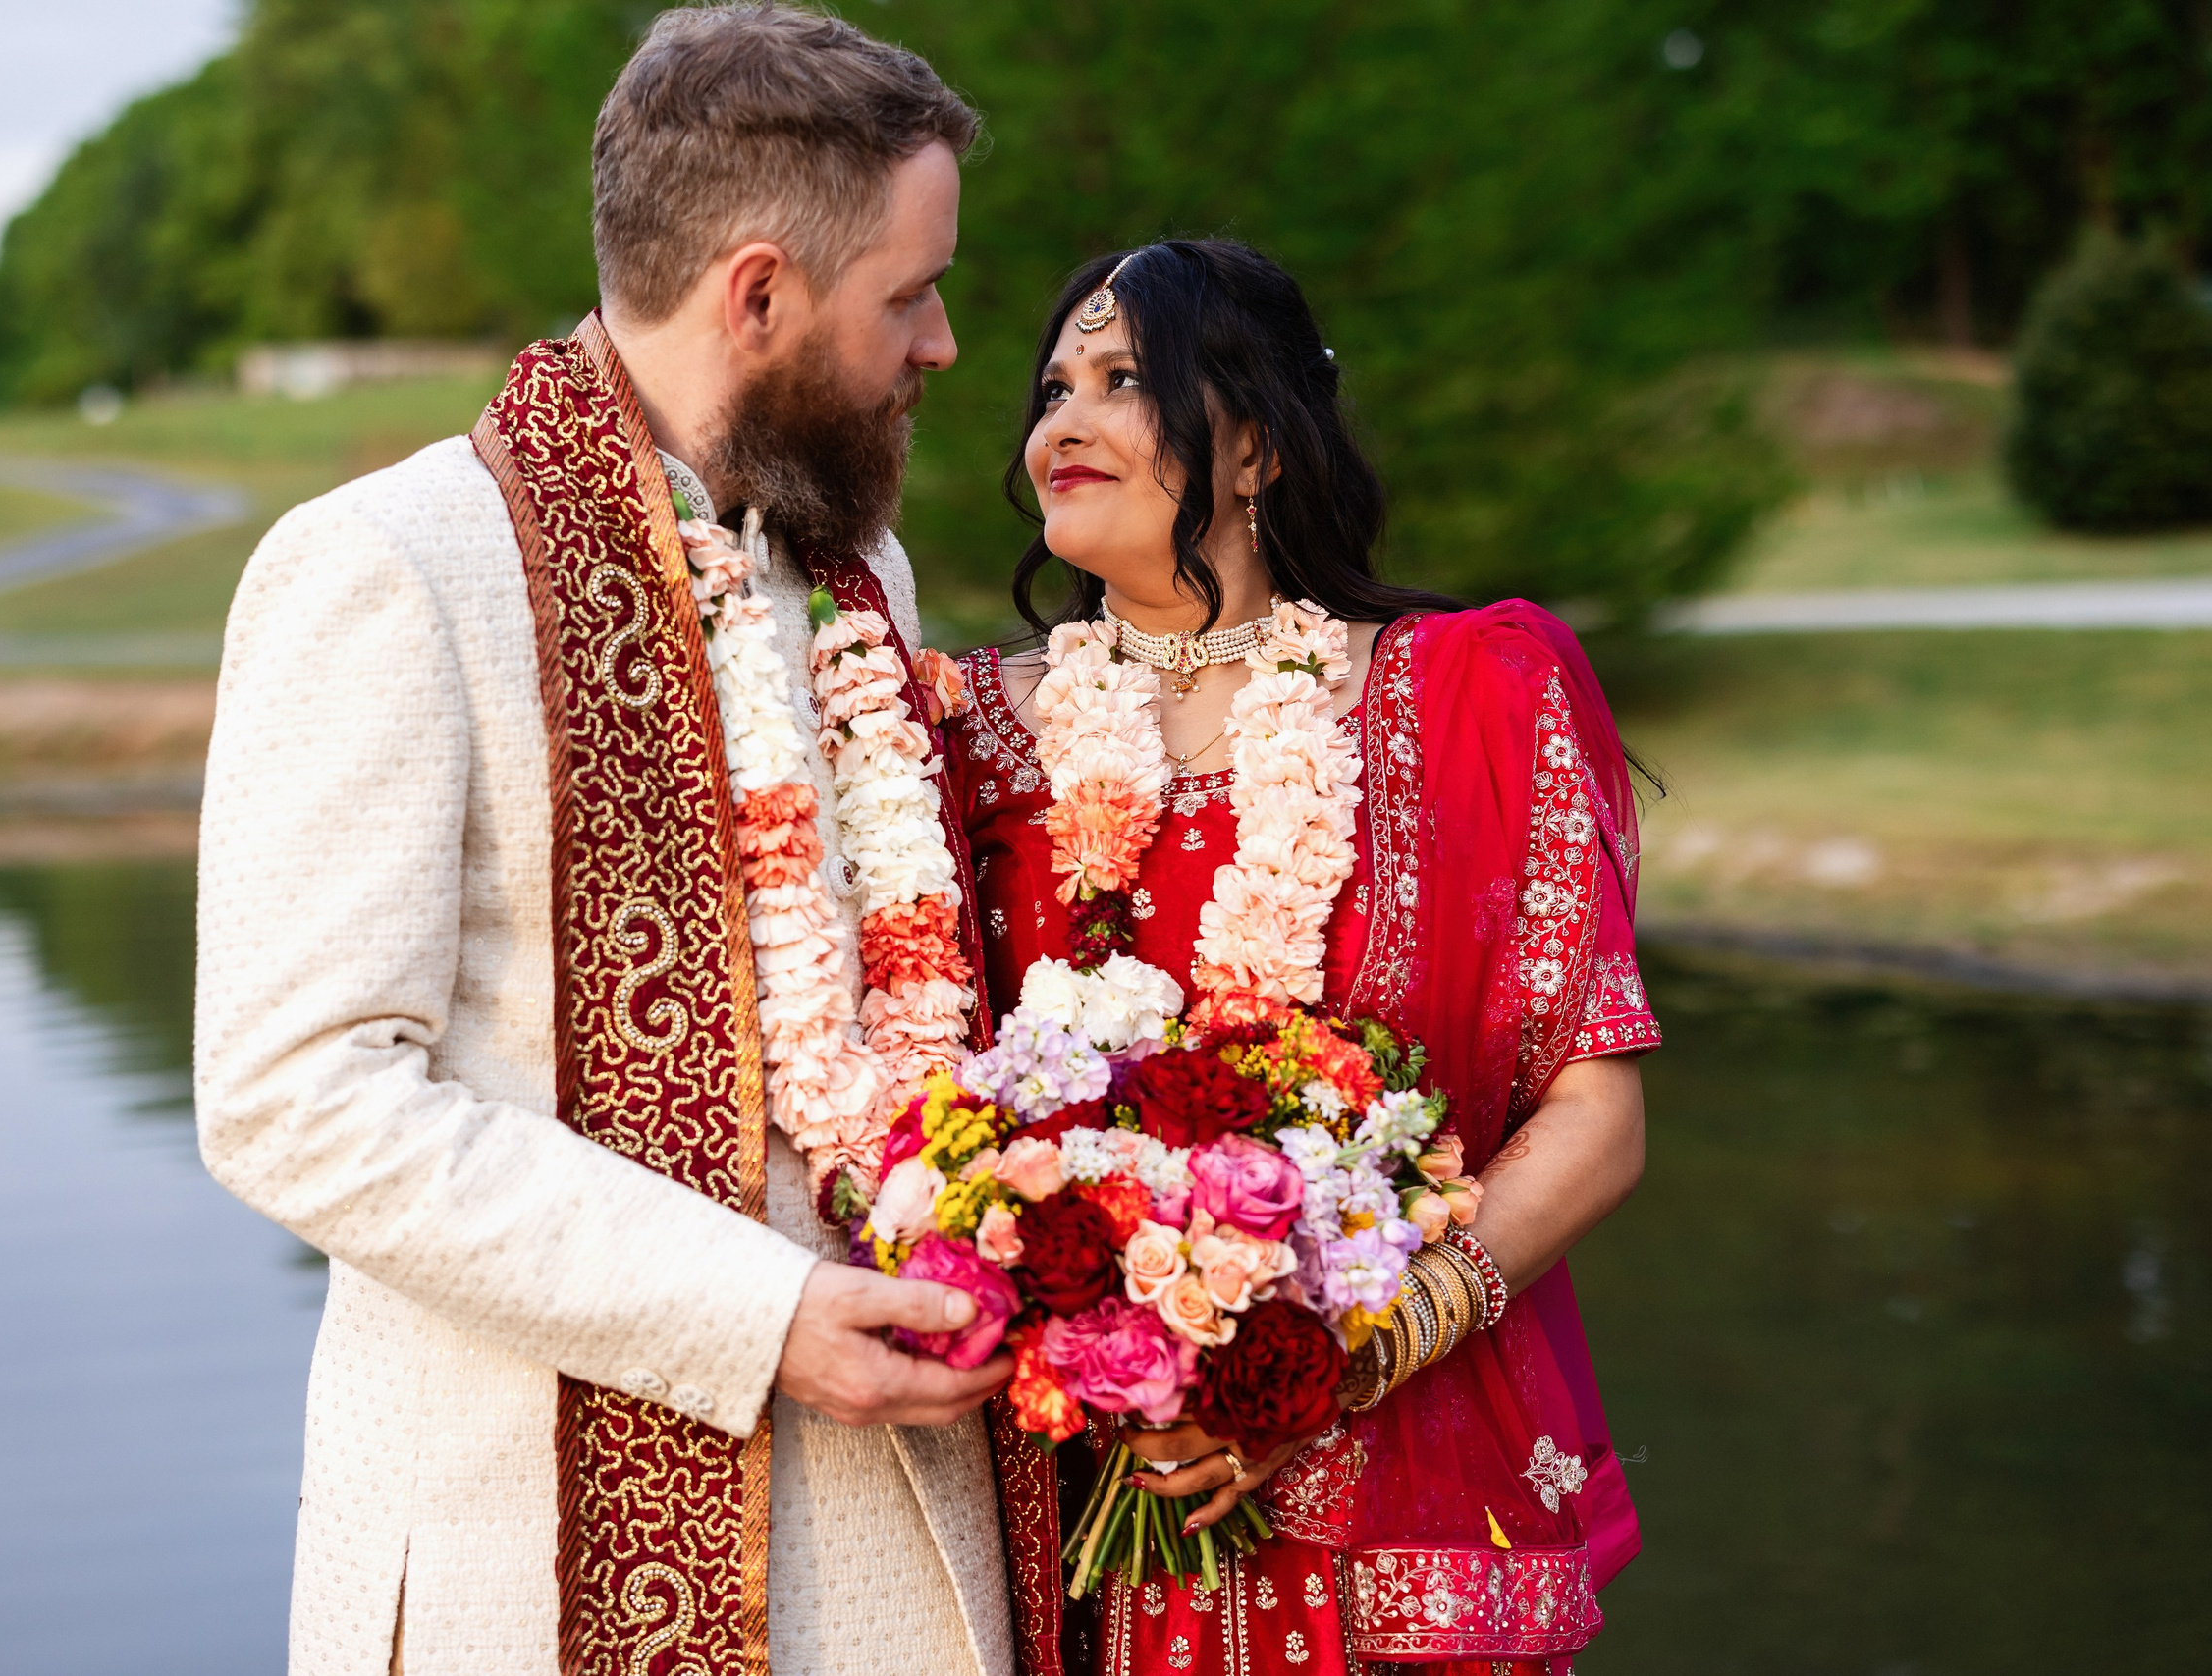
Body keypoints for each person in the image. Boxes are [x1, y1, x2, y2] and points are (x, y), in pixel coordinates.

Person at [193, 8, 1018, 1674]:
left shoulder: (860, 578)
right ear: (762, 293)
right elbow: (298, 1102)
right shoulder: (390, 564)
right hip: (525, 1566)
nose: (937, 343)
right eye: (909, 293)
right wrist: (763, 1314)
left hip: (899, 1551)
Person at [949, 240, 1660, 1674]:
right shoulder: (959, 737)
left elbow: (1596, 1115)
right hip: (1075, 1513)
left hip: (1398, 1488)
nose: (1060, 425)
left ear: (1258, 442)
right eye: (1052, 389)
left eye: (1123, 381)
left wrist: (1332, 1364)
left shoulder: (1473, 693)